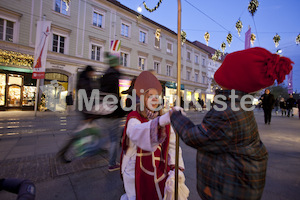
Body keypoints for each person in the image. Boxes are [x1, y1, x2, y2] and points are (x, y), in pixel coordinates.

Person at [170, 47, 293, 200]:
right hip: (240, 181)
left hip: (228, 187)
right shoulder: (238, 104)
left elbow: (195, 136)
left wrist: (176, 116)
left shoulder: (227, 111)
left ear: (232, 77)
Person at [120, 71, 188, 200]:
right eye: (150, 95)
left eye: (156, 95)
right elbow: (137, 133)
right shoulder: (134, 117)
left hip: (161, 168)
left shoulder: (163, 115)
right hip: (136, 171)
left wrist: (175, 167)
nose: (154, 99)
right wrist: (162, 121)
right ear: (142, 97)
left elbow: (173, 144)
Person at [97, 52, 126, 172]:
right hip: (113, 114)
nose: (120, 66)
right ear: (116, 65)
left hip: (103, 112)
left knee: (108, 136)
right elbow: (115, 97)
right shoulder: (114, 77)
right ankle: (112, 163)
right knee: (115, 139)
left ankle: (99, 148)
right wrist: (121, 111)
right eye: (119, 64)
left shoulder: (104, 76)